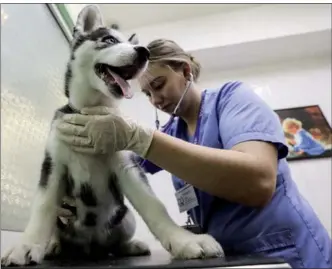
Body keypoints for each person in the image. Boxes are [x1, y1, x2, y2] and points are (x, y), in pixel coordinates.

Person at [56, 38, 331, 268]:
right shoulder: (173, 131)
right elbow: (122, 167)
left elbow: (258, 182)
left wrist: (139, 137)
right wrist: (73, 189)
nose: (155, 100)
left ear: (185, 72)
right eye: (147, 94)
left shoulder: (232, 99)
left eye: (159, 85)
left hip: (285, 253)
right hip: (233, 257)